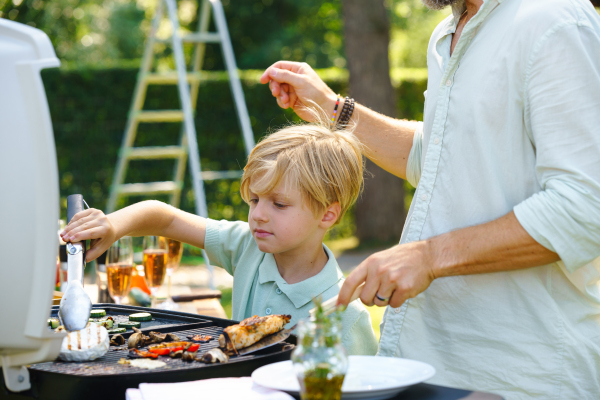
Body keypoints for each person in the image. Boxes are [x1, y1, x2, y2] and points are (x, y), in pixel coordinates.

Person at [259, 0, 600, 398]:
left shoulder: (554, 22)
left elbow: (584, 209)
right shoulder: (448, 33)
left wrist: (430, 256)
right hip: (433, 365)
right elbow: (440, 159)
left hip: (521, 375)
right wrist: (332, 108)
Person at [60, 113, 378, 356]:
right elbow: (165, 219)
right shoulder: (248, 246)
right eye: (254, 199)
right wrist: (113, 226)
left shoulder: (345, 317)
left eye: (279, 204)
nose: (259, 214)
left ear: (328, 213)